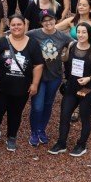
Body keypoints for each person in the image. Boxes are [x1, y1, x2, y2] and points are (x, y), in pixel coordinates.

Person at [48, 22, 91, 157]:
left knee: (85, 117)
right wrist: (62, 55)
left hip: (87, 89)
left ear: (90, 34)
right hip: (72, 88)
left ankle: (81, 144)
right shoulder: (71, 45)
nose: (80, 35)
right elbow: (65, 59)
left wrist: (89, 78)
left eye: (84, 32)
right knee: (64, 115)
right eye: (78, 32)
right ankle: (61, 143)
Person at [0, 15, 44, 152]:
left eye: (19, 24)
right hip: (0, 87)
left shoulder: (33, 44)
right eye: (13, 25)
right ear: (9, 26)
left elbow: (38, 65)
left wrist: (35, 84)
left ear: (24, 26)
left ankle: (12, 136)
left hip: (21, 88)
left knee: (15, 113)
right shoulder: (2, 42)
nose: (16, 27)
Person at [26, 14, 73, 147]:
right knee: (37, 106)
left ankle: (42, 129)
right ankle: (34, 131)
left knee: (48, 104)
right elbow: (17, 35)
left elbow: (76, 44)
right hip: (38, 77)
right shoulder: (34, 33)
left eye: (50, 20)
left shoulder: (62, 36)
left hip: (54, 76)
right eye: (44, 21)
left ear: (55, 20)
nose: (48, 23)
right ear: (41, 23)